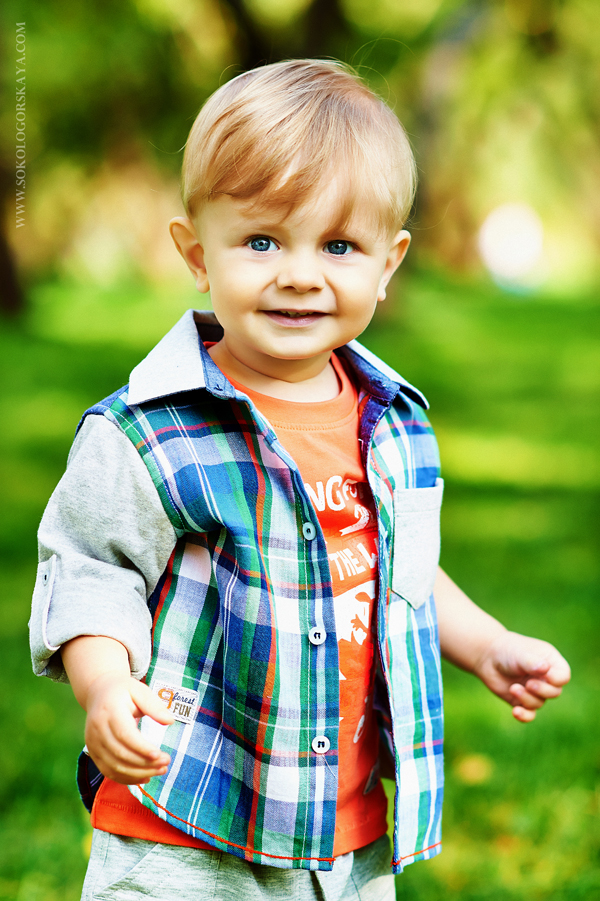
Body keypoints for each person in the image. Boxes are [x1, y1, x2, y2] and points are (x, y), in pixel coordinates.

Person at [30, 59, 570, 901]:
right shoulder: (149, 432)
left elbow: (400, 569)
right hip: (185, 813)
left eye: (339, 246)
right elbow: (92, 571)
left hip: (341, 834)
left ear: (388, 264)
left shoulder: (392, 422)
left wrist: (487, 642)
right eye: (261, 241)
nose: (300, 273)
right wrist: (105, 686)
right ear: (196, 253)